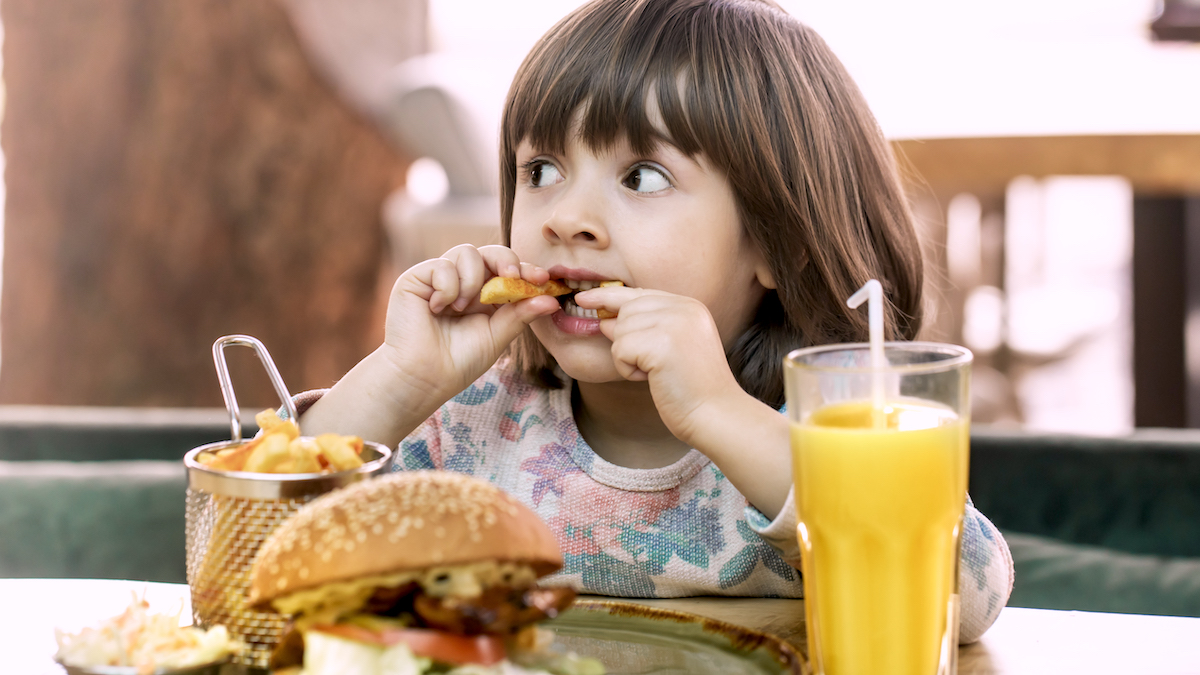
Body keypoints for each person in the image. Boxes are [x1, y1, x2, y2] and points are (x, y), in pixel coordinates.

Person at [297, 0, 1013, 642]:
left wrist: (717, 410)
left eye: (642, 177)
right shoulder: (470, 430)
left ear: (774, 242)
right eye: (541, 170)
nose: (568, 218)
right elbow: (257, 560)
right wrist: (400, 379)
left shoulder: (829, 432)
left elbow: (971, 591)